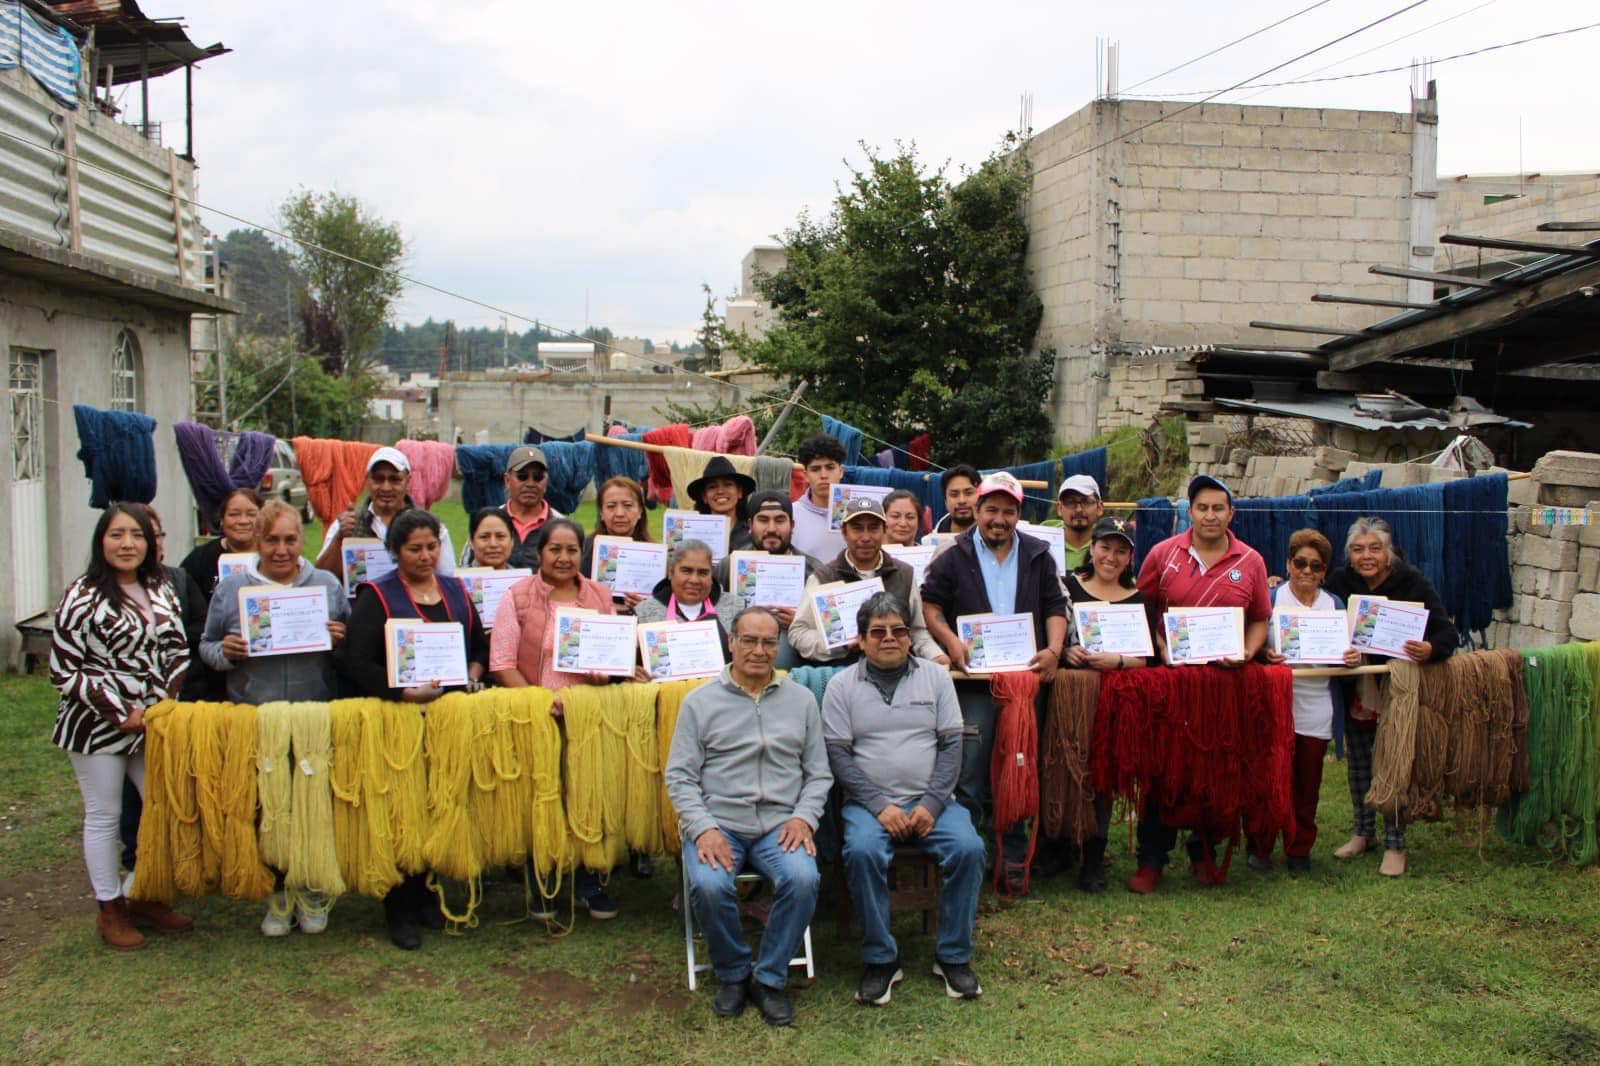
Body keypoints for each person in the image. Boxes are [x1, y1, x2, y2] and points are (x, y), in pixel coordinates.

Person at [666, 609, 832, 1028]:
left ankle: (770, 977)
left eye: (768, 643)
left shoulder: (801, 700)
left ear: (779, 647)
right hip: (719, 822)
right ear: (732, 643)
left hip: (781, 824)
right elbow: (680, 777)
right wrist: (702, 827)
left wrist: (804, 818)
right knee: (707, 884)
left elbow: (819, 773)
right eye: (749, 641)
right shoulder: (699, 703)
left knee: (804, 879)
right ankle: (734, 972)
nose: (759, 651)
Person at [824, 592, 985, 1005]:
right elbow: (839, 757)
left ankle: (953, 957)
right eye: (878, 632)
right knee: (860, 852)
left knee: (968, 849)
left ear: (910, 638)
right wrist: (880, 806)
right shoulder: (841, 686)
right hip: (869, 806)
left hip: (933, 801)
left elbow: (952, 746)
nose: (889, 638)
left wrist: (932, 804)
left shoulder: (936, 679)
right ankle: (881, 959)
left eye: (898, 630)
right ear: (860, 639)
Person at [337, 509, 486, 949]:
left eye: (431, 547)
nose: (425, 556)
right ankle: (397, 907)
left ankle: (425, 895)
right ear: (395, 552)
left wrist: (474, 670)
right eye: (414, 548)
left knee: (438, 803)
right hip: (398, 721)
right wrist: (403, 694)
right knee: (401, 812)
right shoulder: (376, 597)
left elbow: (477, 643)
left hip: (448, 720)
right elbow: (355, 660)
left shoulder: (456, 591)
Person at [200, 500, 350, 936]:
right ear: (257, 542)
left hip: (312, 718)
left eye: (289, 540)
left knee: (313, 807)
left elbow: (351, 645)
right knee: (269, 810)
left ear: (301, 540)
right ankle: (279, 896)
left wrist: (340, 640)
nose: (280, 550)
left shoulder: (325, 584)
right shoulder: (233, 590)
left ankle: (313, 890)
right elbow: (206, 646)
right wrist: (225, 654)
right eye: (271, 540)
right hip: (257, 718)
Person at [49, 503, 193, 951]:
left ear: (150, 544)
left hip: (151, 722)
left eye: (137, 535)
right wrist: (119, 711)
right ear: (101, 542)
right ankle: (109, 909)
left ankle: (143, 894)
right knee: (105, 815)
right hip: (96, 725)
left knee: (161, 808)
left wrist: (160, 705)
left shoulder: (161, 588)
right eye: (117, 535)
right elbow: (64, 669)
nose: (127, 543)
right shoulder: (82, 595)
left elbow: (177, 650)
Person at [921, 472, 1068, 895]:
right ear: (977, 510)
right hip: (974, 684)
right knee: (969, 771)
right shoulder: (954, 554)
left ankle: (1015, 859)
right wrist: (950, 641)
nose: (998, 519)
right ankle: (968, 857)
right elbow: (931, 605)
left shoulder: (1038, 554)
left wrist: (1054, 650)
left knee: (1019, 766)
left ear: (1018, 514)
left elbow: (1055, 606)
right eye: (991, 510)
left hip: (1025, 682)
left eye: (1008, 511)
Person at [1129, 474, 1272, 893]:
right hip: (1174, 682)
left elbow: (1261, 617)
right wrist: (1160, 646)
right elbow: (1143, 607)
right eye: (1202, 507)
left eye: (1219, 508)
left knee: (1217, 768)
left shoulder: (1251, 561)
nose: (1211, 515)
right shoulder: (1162, 554)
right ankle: (1152, 858)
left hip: (1225, 685)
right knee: (1164, 768)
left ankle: (1204, 851)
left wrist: (1247, 653)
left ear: (1232, 513)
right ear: (1189, 511)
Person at [489, 518, 623, 919]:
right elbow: (501, 662)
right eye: (555, 550)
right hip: (536, 714)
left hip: (588, 716)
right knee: (542, 800)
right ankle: (543, 882)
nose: (564, 558)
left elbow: (613, 656)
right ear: (539, 553)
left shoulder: (599, 595)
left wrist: (606, 674)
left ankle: (589, 881)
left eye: (572, 550)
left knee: (588, 796)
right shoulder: (517, 597)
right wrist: (541, 701)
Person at [1324, 516, 1458, 879]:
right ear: (1349, 555)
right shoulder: (1339, 584)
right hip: (1358, 688)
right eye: (1357, 549)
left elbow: (1447, 632)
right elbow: (1314, 615)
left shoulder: (1413, 584)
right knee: (1359, 762)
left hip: (1398, 691)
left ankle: (1395, 844)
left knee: (1394, 765)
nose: (1366, 556)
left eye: (1374, 548)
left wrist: (1429, 648)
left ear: (1389, 552)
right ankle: (1363, 832)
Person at [1252, 529, 1360, 876]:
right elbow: (1250, 645)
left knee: (1307, 782)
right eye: (1301, 562)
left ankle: (1299, 847)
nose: (1307, 571)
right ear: (1288, 563)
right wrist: (1265, 657)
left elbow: (1346, 652)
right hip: (1276, 702)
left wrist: (1351, 657)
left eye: (1316, 565)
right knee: (1270, 777)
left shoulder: (1336, 605)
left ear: (1325, 570)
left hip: (1317, 704)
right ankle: (1261, 845)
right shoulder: (1270, 599)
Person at [1062, 516, 1162, 892]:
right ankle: (1058, 847)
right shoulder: (1067, 587)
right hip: (1071, 699)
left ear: (1131, 558)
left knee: (1102, 778)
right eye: (1106, 547)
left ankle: (1093, 858)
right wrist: (1068, 650)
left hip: (1116, 703)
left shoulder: (1140, 600)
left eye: (1121, 550)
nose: (1111, 556)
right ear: (1093, 547)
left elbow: (1149, 656)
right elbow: (1051, 633)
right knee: (1067, 769)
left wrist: (1116, 661)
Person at [788, 497, 944, 666]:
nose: (866, 537)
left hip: (896, 675)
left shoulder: (904, 574)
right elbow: (798, 633)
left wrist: (935, 656)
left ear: (884, 530)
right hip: (841, 673)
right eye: (857, 529)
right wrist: (839, 645)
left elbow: (917, 631)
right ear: (844, 532)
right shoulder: (823, 578)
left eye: (873, 528)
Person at [713, 491, 823, 669]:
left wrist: (800, 621)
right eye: (763, 520)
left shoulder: (813, 571)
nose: (771, 528)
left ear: (792, 525)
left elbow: (824, 632)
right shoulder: (729, 566)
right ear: (750, 524)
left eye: (780, 520)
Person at [316, 446, 456, 579]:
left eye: (395, 479)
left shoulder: (432, 527)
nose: (386, 487)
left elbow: (447, 578)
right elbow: (323, 577)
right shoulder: (348, 524)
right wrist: (340, 539)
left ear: (408, 482)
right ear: (367, 481)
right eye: (378, 479)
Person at [635, 540, 728, 655]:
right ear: (671, 572)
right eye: (686, 571)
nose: (694, 580)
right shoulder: (645, 612)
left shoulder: (734, 606)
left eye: (703, 573)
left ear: (711, 575)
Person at [581, 476, 654, 611]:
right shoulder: (583, 549)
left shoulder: (655, 555)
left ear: (640, 511)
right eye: (611, 506)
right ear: (601, 513)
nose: (619, 513)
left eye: (628, 505)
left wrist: (644, 608)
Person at [179, 486, 263, 602]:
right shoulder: (199, 559)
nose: (243, 521)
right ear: (222, 521)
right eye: (234, 514)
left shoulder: (273, 556)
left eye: (251, 514)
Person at [791, 433, 847, 562]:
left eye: (830, 468)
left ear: (841, 471)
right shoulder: (791, 514)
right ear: (805, 475)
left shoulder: (857, 511)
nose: (823, 475)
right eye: (815, 469)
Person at [688, 455, 756, 553]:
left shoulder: (752, 534)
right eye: (712, 486)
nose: (720, 491)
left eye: (728, 484)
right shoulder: (692, 533)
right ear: (704, 497)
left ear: (739, 492)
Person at [1055, 475, 1105, 575]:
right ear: (1059, 508)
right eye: (1070, 502)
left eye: (1086, 502)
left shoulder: (1108, 546)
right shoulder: (1043, 542)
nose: (1078, 509)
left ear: (1099, 508)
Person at [930, 465, 980, 536]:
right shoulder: (934, 540)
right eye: (954, 495)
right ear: (945, 501)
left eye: (969, 493)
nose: (962, 500)